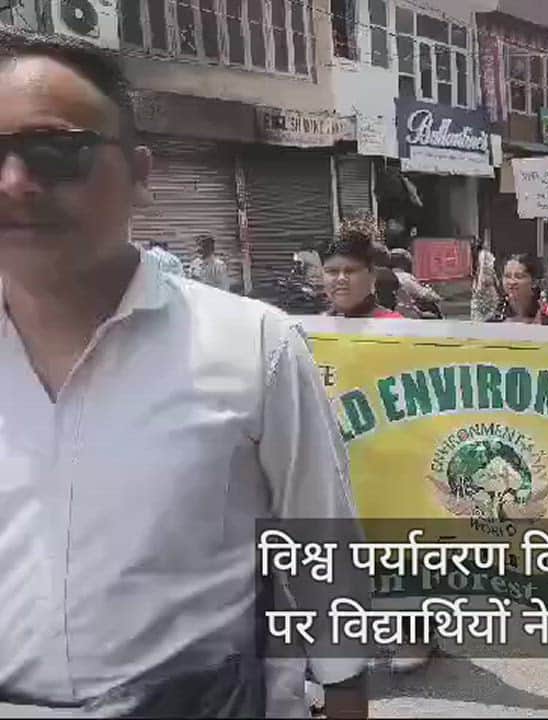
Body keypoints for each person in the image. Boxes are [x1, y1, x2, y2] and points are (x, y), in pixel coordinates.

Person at [0, 32, 368, 716]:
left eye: (55, 151)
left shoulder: (253, 345)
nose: (15, 183)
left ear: (141, 173)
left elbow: (322, 543)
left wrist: (345, 689)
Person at [321, 229, 404, 319]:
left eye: (350, 271)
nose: (341, 278)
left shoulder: (395, 326)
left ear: (372, 276)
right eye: (332, 271)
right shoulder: (314, 325)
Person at [491, 253, 548, 326]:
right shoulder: (495, 317)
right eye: (507, 276)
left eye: (519, 276)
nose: (512, 282)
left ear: (534, 282)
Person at [387, 247, 442, 319]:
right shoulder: (406, 278)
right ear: (405, 262)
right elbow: (428, 296)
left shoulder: (386, 276)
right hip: (407, 315)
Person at [470, 238, 500, 322]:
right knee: (490, 304)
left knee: (483, 304)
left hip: (485, 281)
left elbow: (481, 269)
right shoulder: (487, 254)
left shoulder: (482, 254)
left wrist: (478, 284)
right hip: (488, 282)